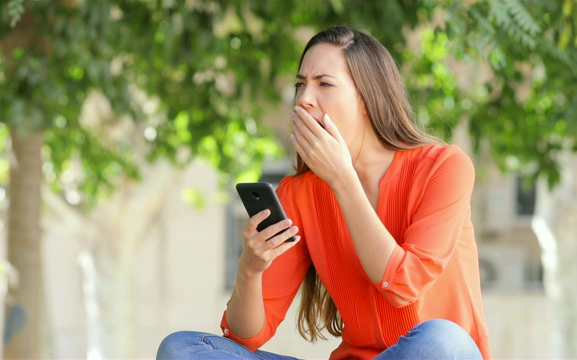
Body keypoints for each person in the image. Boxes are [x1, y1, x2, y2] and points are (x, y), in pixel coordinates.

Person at [157, 24, 491, 360]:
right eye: (300, 85)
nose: (304, 99)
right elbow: (247, 340)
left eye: (324, 84)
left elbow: (404, 285)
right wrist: (251, 267)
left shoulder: (444, 167)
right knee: (182, 348)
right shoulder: (300, 194)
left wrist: (343, 180)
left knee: (443, 342)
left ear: (366, 97)